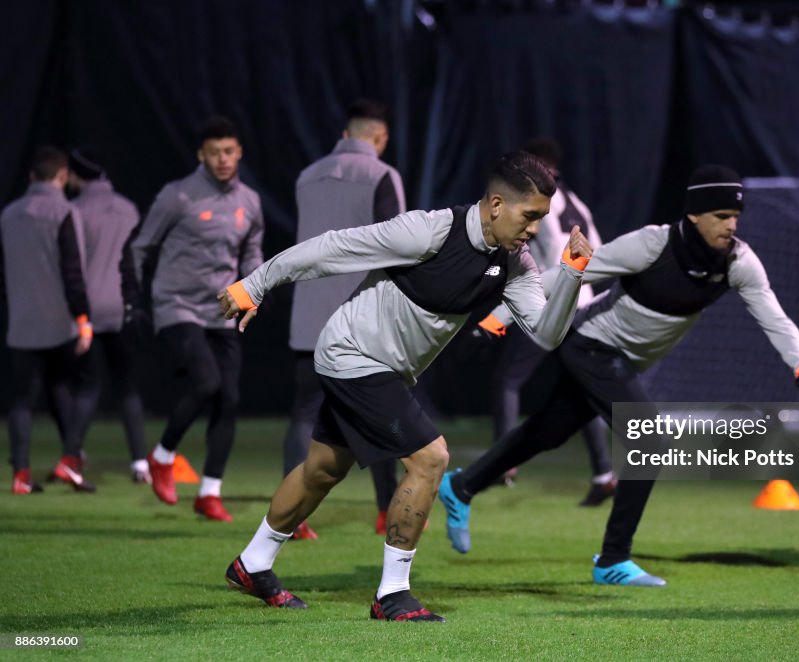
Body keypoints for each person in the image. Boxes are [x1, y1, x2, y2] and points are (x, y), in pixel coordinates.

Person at [218, 151, 590, 621]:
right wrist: (256, 283)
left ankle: (252, 563)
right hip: (351, 354)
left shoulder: (515, 263)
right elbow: (333, 248)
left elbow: (545, 332)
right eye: (530, 215)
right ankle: (392, 594)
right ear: (496, 205)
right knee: (430, 458)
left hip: (385, 370)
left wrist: (573, 273)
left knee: (323, 469)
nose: (535, 228)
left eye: (541, 218)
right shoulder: (430, 230)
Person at [438, 164, 799, 586]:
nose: (731, 225)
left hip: (620, 360)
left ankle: (461, 485)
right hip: (589, 344)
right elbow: (569, 273)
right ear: (695, 215)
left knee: (546, 432)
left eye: (735, 216)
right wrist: (498, 319)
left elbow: (774, 317)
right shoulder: (652, 244)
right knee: (651, 438)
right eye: (721, 216)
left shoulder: (738, 262)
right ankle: (613, 559)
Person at [283, 99, 406, 540]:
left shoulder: (306, 176)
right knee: (384, 412)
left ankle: (292, 515)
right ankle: (385, 511)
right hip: (360, 319)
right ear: (380, 137)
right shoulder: (382, 175)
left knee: (302, 414)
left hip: (308, 315)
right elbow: (398, 246)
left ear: (345, 133)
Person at [132, 116, 264, 521]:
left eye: (229, 151)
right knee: (206, 382)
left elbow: (251, 252)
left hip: (221, 310)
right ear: (200, 156)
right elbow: (140, 247)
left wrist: (254, 290)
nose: (222, 160)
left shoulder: (250, 201)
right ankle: (162, 455)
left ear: (238, 151)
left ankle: (209, 492)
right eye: (214, 153)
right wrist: (135, 299)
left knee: (229, 398)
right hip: (177, 305)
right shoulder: (178, 196)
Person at [473, 137, 616, 505]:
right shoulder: (577, 203)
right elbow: (595, 252)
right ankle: (603, 475)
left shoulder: (544, 203)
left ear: (543, 169)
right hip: (583, 306)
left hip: (550, 303)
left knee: (508, 379)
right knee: (581, 392)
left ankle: (503, 463)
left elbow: (555, 254)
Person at [1, 146, 95, 493]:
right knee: (72, 389)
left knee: (21, 401)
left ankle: (20, 476)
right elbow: (73, 272)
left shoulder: (8, 214)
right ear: (61, 177)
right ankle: (70, 460)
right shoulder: (64, 211)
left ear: (31, 177)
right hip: (59, 325)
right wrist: (83, 319)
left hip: (21, 325)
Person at [66, 147, 150, 484]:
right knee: (126, 386)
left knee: (87, 387)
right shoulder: (128, 209)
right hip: (122, 308)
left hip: (86, 310)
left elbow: (71, 265)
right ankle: (141, 463)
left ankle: (71, 457)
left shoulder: (74, 211)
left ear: (75, 175)